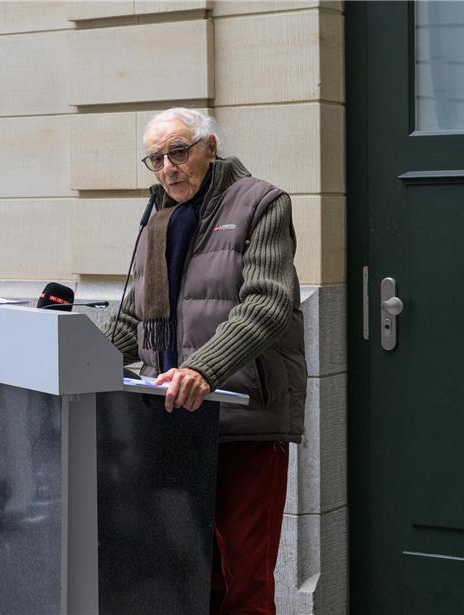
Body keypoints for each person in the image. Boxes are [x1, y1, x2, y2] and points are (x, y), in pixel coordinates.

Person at [104, 107, 307, 614]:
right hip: (172, 424)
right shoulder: (157, 218)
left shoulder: (262, 202)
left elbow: (267, 303)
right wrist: (74, 361)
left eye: (179, 152)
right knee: (191, 576)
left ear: (209, 149)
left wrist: (203, 369)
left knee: (246, 582)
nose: (169, 168)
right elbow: (133, 323)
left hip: (242, 420)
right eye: (156, 159)